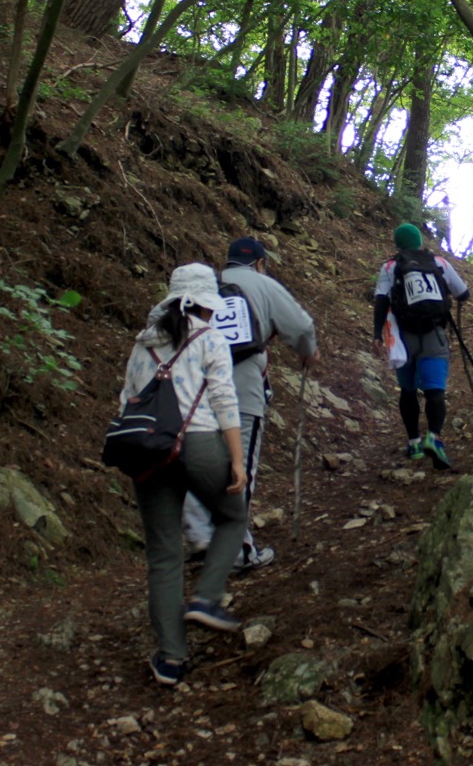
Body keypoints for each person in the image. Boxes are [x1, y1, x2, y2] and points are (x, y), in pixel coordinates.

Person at [120, 263, 247, 688]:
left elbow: (127, 401)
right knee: (233, 517)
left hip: (149, 450)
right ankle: (207, 599)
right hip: (201, 443)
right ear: (204, 302)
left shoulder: (142, 343)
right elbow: (224, 401)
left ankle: (171, 658)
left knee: (163, 554)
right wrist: (237, 460)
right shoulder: (210, 338)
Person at [183, 237, 318, 573]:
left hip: (195, 389)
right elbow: (301, 326)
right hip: (241, 388)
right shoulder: (263, 284)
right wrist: (307, 350)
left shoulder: (206, 285)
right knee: (238, 464)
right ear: (259, 263)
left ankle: (200, 535)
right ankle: (237, 552)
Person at [371, 223, 470, 469]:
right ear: (419, 242)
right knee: (435, 390)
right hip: (434, 334)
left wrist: (377, 335)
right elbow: (464, 293)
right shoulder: (439, 263)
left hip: (403, 338)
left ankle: (414, 442)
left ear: (398, 244)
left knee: (407, 390)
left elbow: (381, 301)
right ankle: (434, 438)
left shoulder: (390, 267)